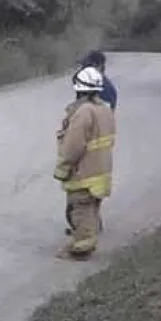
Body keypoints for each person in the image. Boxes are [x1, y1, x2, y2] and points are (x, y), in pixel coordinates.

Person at [54, 65, 116, 261]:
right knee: (92, 208)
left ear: (79, 89)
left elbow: (73, 145)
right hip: (101, 171)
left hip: (84, 173)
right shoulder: (105, 110)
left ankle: (81, 249)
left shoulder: (83, 112)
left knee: (81, 209)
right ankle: (84, 240)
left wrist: (63, 166)